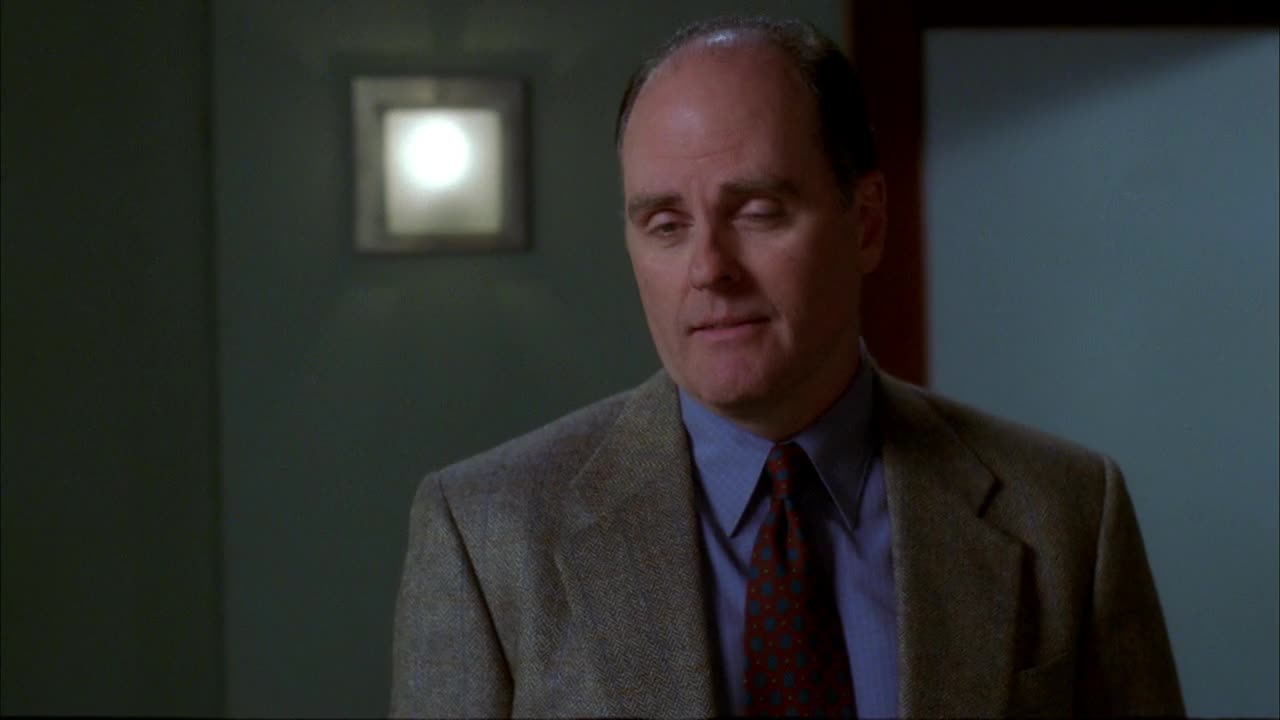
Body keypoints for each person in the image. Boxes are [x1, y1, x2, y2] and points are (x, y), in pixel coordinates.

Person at [390, 15, 1184, 718]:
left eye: (758, 212)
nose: (709, 268)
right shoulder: (488, 533)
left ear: (865, 223)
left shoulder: (1066, 513)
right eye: (666, 224)